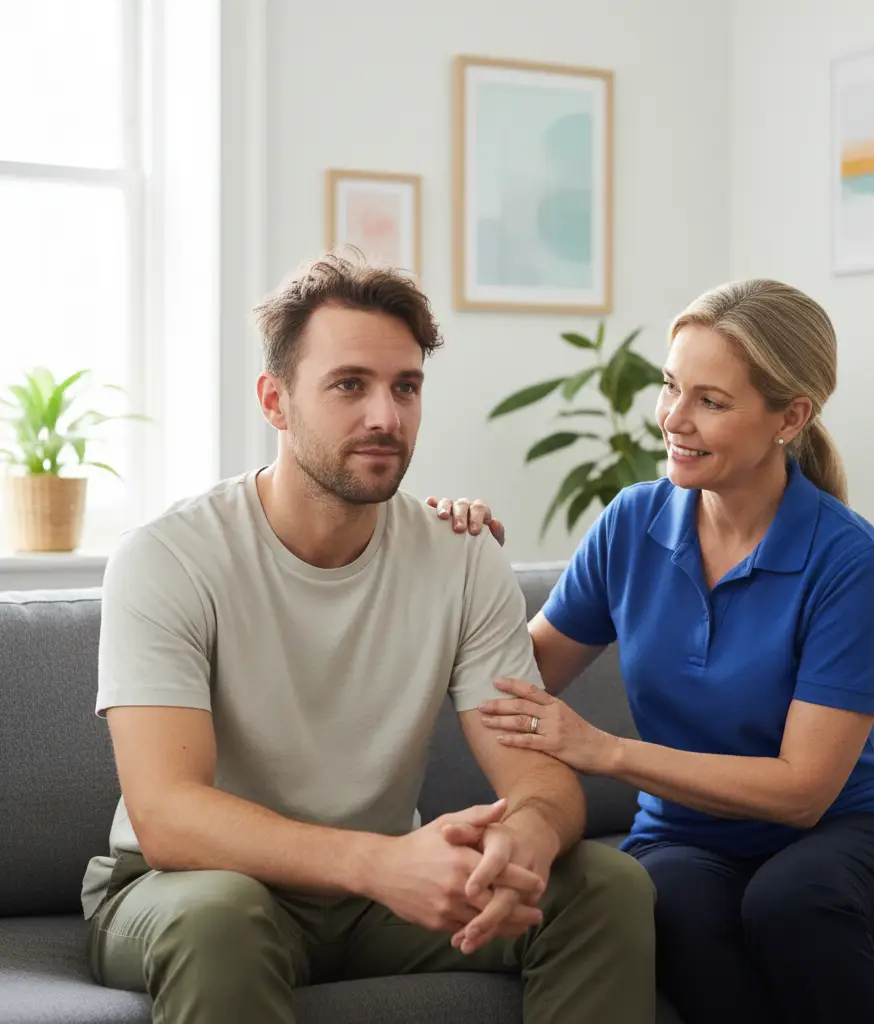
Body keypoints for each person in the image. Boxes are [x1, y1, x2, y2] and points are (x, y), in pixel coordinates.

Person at [83, 250, 656, 1024]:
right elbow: (168, 815)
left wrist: (525, 836)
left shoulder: (460, 557)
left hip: (379, 900)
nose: (385, 416)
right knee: (220, 916)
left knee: (603, 885)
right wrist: (381, 863)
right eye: (349, 385)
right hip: (192, 887)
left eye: (406, 387)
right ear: (275, 401)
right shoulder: (168, 558)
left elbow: (542, 782)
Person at [429, 279, 874, 1024]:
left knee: (790, 905)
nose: (673, 418)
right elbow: (511, 678)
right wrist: (449, 560)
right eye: (671, 386)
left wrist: (607, 752)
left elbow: (803, 792)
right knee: (668, 907)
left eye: (711, 400)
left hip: (848, 832)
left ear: (789, 417)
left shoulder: (849, 559)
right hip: (685, 840)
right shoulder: (632, 523)